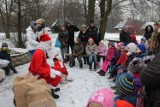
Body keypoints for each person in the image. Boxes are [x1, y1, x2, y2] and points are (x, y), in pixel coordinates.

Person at [29, 34, 62, 99]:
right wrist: (51, 72)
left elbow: (43, 65)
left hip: (39, 72)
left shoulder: (41, 51)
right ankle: (50, 90)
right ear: (45, 44)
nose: (50, 46)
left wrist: (51, 69)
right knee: (57, 76)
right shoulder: (39, 53)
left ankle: (51, 88)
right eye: (49, 44)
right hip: (36, 75)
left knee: (57, 70)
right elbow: (38, 69)